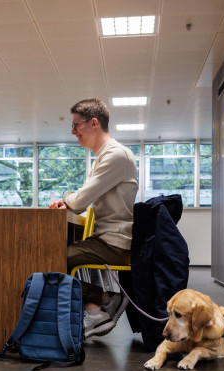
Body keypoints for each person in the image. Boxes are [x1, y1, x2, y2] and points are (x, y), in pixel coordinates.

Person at [49, 98, 138, 339]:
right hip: (108, 239)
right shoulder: (105, 156)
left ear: (94, 123)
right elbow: (82, 201)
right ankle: (99, 304)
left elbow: (78, 202)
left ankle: (102, 301)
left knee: (51, 258)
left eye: (76, 125)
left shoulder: (116, 155)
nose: (73, 131)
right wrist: (71, 200)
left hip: (113, 243)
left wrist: (67, 198)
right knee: (58, 254)